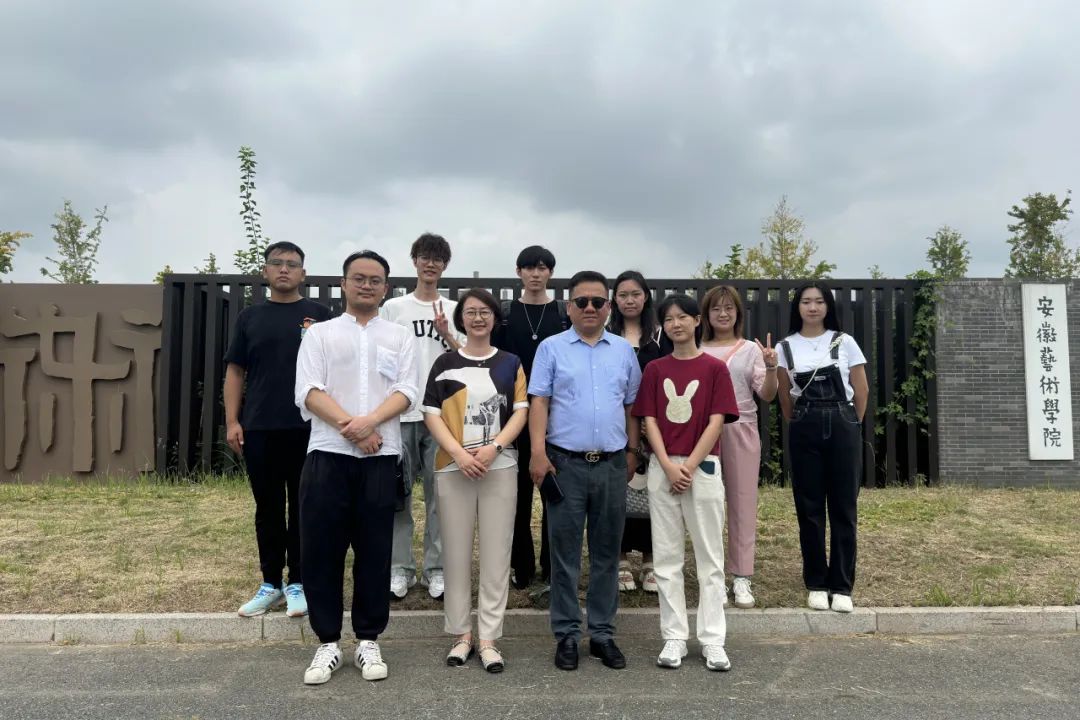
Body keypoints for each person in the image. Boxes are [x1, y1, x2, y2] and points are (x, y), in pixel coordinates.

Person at [294, 250, 419, 685]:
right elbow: (309, 391)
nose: (367, 285)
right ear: (344, 284)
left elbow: (407, 390)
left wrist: (370, 424)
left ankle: (368, 639)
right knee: (321, 551)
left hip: (379, 459)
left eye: (375, 279)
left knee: (375, 551)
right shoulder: (320, 334)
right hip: (327, 454)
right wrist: (354, 427)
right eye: (359, 278)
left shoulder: (399, 336)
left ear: (386, 287)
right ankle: (327, 642)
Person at [528, 270, 641, 671]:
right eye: (582, 302)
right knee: (565, 555)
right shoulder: (551, 348)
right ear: (569, 306)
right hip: (565, 465)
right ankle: (567, 635)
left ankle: (603, 634)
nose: (590, 308)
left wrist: (632, 451)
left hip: (611, 464)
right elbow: (539, 402)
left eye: (597, 301)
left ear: (608, 307)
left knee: (607, 552)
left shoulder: (623, 351)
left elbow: (631, 405)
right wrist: (537, 452)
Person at [422, 289, 528, 673]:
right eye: (470, 312)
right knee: (455, 552)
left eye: (484, 312)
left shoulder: (510, 363)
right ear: (460, 319)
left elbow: (521, 412)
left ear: (494, 318)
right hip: (453, 466)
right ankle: (461, 634)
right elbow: (431, 413)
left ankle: (489, 639)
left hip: (499, 466)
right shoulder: (444, 363)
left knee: (497, 554)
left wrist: (494, 448)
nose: (478, 318)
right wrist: (460, 454)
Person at [632, 293, 740, 672]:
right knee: (666, 557)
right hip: (663, 468)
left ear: (697, 321)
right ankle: (674, 636)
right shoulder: (655, 369)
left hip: (703, 467)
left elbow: (716, 422)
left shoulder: (715, 369)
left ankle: (713, 640)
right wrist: (666, 464)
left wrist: (689, 466)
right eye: (668, 319)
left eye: (682, 317)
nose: (675, 324)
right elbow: (649, 420)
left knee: (710, 558)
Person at [224, 241, 331, 619]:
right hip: (260, 427)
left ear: (304, 273)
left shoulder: (320, 316)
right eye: (277, 263)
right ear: (265, 271)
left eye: (292, 264)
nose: (284, 269)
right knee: (268, 508)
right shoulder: (249, 318)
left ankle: (298, 582)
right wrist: (233, 421)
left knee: (304, 507)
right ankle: (270, 583)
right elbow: (235, 371)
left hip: (310, 428)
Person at [776, 281, 869, 614]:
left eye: (818, 301)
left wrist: (851, 423)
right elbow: (784, 396)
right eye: (806, 301)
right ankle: (816, 582)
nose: (812, 307)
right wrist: (801, 421)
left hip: (843, 423)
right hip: (804, 426)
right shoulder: (785, 347)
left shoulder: (845, 342)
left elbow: (861, 389)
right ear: (797, 307)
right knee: (809, 507)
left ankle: (842, 585)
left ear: (828, 305)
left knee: (844, 507)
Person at [380, 233, 461, 600]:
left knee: (440, 496)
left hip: (442, 415)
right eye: (425, 257)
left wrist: (447, 334)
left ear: (445, 266)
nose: (431, 264)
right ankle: (400, 567)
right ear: (414, 261)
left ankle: (437, 569)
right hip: (401, 412)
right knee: (398, 494)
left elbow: (466, 356)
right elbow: (381, 358)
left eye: (437, 259)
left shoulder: (454, 308)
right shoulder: (394, 308)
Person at [493, 245, 569, 590]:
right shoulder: (506, 313)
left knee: (555, 492)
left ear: (550, 273)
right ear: (519, 272)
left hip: (558, 413)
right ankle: (520, 565)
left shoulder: (563, 314)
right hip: (513, 412)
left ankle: (553, 566)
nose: (535, 274)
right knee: (517, 494)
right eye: (529, 268)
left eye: (542, 268)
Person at [699, 286, 778, 609]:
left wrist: (771, 367)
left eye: (729, 308)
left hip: (741, 428)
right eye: (716, 308)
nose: (723, 314)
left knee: (742, 503)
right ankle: (714, 577)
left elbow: (767, 394)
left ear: (738, 313)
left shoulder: (750, 350)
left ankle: (742, 577)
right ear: (705, 315)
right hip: (703, 434)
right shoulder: (695, 348)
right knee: (707, 506)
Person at [607, 270, 666, 594]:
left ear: (645, 297)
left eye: (635, 294)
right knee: (617, 494)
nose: (629, 300)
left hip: (654, 425)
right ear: (615, 299)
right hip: (615, 425)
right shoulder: (606, 334)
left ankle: (650, 560)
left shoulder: (660, 335)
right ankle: (619, 560)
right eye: (623, 295)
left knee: (652, 493)